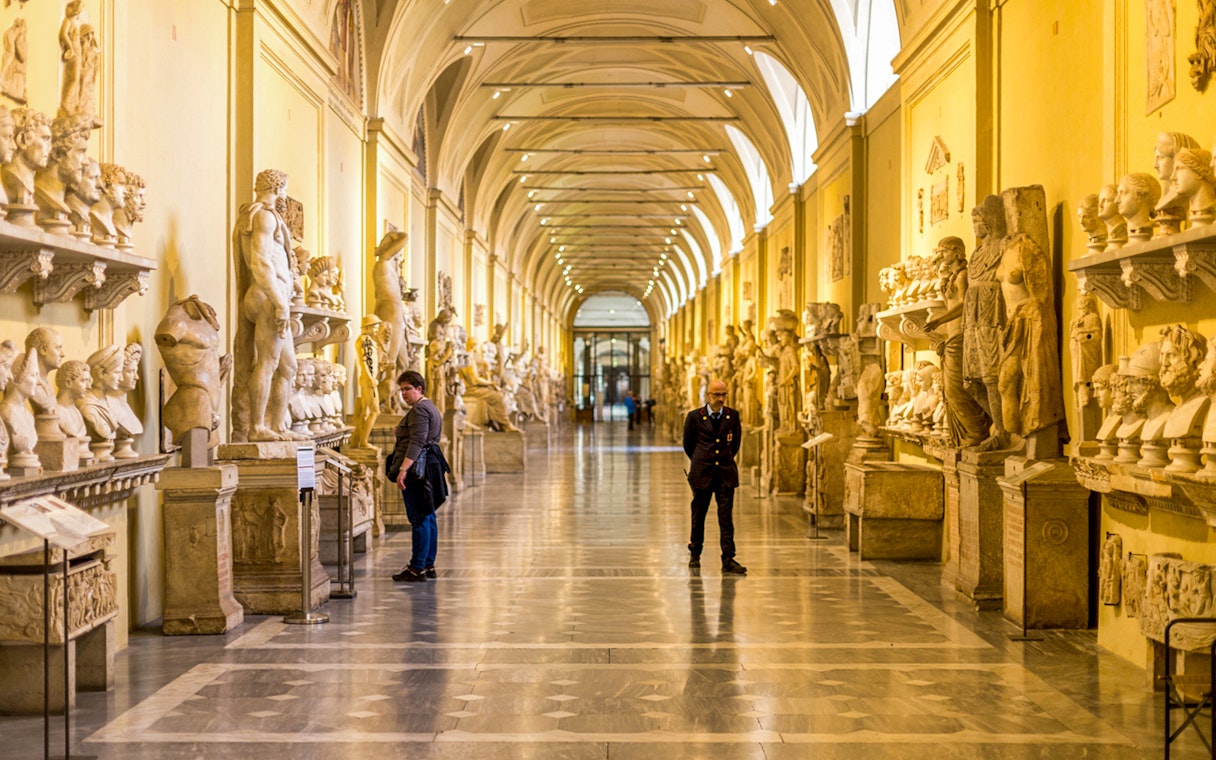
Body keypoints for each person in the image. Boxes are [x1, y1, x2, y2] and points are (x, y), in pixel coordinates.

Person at [682, 378, 746, 574]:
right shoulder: (694, 417)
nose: (721, 398)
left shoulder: (732, 416)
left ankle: (728, 558)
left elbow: (735, 444)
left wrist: (724, 460)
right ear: (708, 395)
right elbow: (688, 444)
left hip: (725, 474)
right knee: (698, 515)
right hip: (702, 473)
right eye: (717, 394)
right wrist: (701, 460)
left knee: (726, 518)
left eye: (724, 394)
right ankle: (695, 554)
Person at [391, 370, 449, 583]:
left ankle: (416, 568)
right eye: (401, 390)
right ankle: (427, 563)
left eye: (407, 389)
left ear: (419, 389)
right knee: (429, 515)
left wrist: (404, 469)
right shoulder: (428, 407)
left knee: (420, 518)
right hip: (429, 465)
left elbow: (417, 441)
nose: (403, 394)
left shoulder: (420, 410)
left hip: (419, 469)